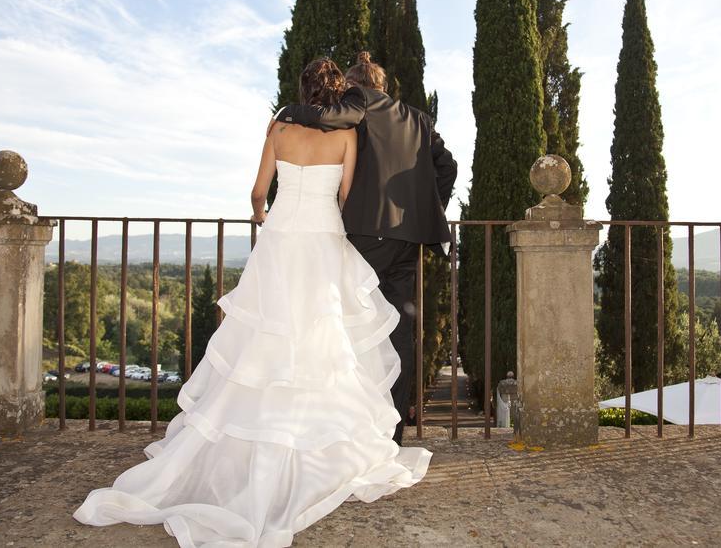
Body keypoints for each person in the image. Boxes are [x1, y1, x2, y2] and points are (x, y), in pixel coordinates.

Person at [73, 57, 432, 547]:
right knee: (323, 337)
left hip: (282, 239)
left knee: (266, 335)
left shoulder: (279, 127)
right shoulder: (350, 136)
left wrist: (263, 215)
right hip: (324, 238)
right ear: (337, 95)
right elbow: (347, 197)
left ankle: (252, 437)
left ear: (303, 90)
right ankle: (322, 440)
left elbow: (258, 190)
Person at [274, 51, 458, 444]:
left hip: (364, 236)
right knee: (398, 332)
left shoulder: (358, 103)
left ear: (355, 86)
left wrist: (289, 111)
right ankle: (391, 434)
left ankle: (349, 428)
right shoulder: (419, 119)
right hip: (407, 241)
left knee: (347, 325)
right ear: (385, 86)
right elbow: (448, 167)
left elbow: (327, 119)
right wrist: (425, 207)